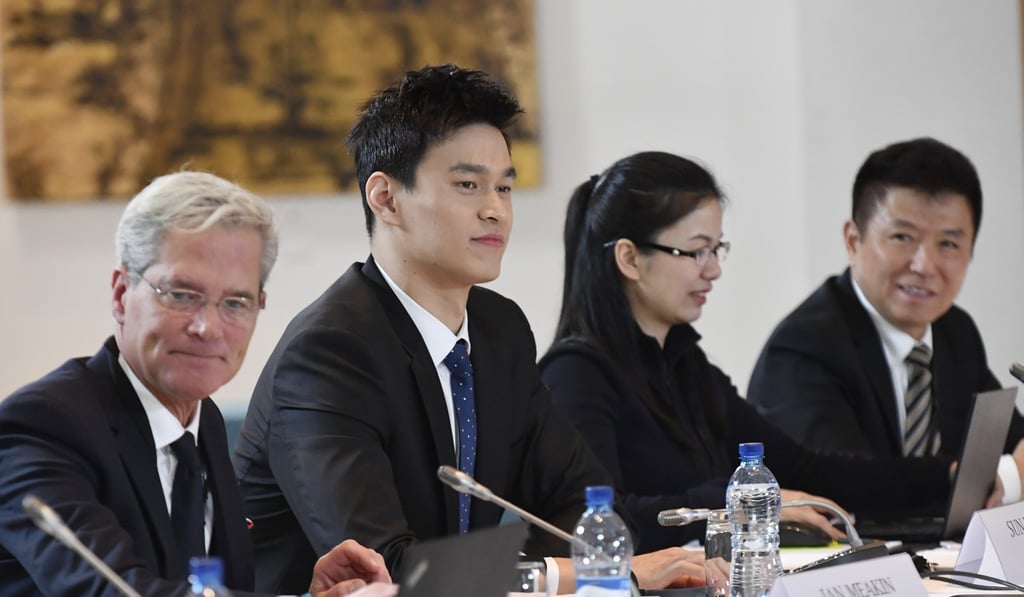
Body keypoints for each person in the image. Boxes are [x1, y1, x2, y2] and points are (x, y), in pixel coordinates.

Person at [232, 65, 705, 594]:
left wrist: (531, 575)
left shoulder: (498, 330)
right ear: (385, 198)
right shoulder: (329, 353)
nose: (495, 210)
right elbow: (385, 574)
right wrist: (565, 575)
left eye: (505, 187)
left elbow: (592, 509)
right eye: (467, 185)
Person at [538, 151, 966, 553]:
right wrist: (736, 504)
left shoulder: (686, 366)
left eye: (717, 249)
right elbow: (597, 520)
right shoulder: (576, 375)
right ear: (630, 259)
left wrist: (944, 476)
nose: (714, 269)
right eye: (696, 251)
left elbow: (803, 468)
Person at [0, 172, 394, 596]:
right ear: (120, 293)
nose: (207, 327)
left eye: (235, 303)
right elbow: (112, 591)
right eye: (181, 295)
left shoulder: (202, 423)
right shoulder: (42, 426)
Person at [746, 137, 1024, 502]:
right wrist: (997, 478)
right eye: (902, 237)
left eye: (948, 244)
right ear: (853, 241)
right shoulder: (803, 349)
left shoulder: (955, 332)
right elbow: (846, 489)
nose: (924, 265)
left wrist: (1008, 470)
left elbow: (1013, 446)